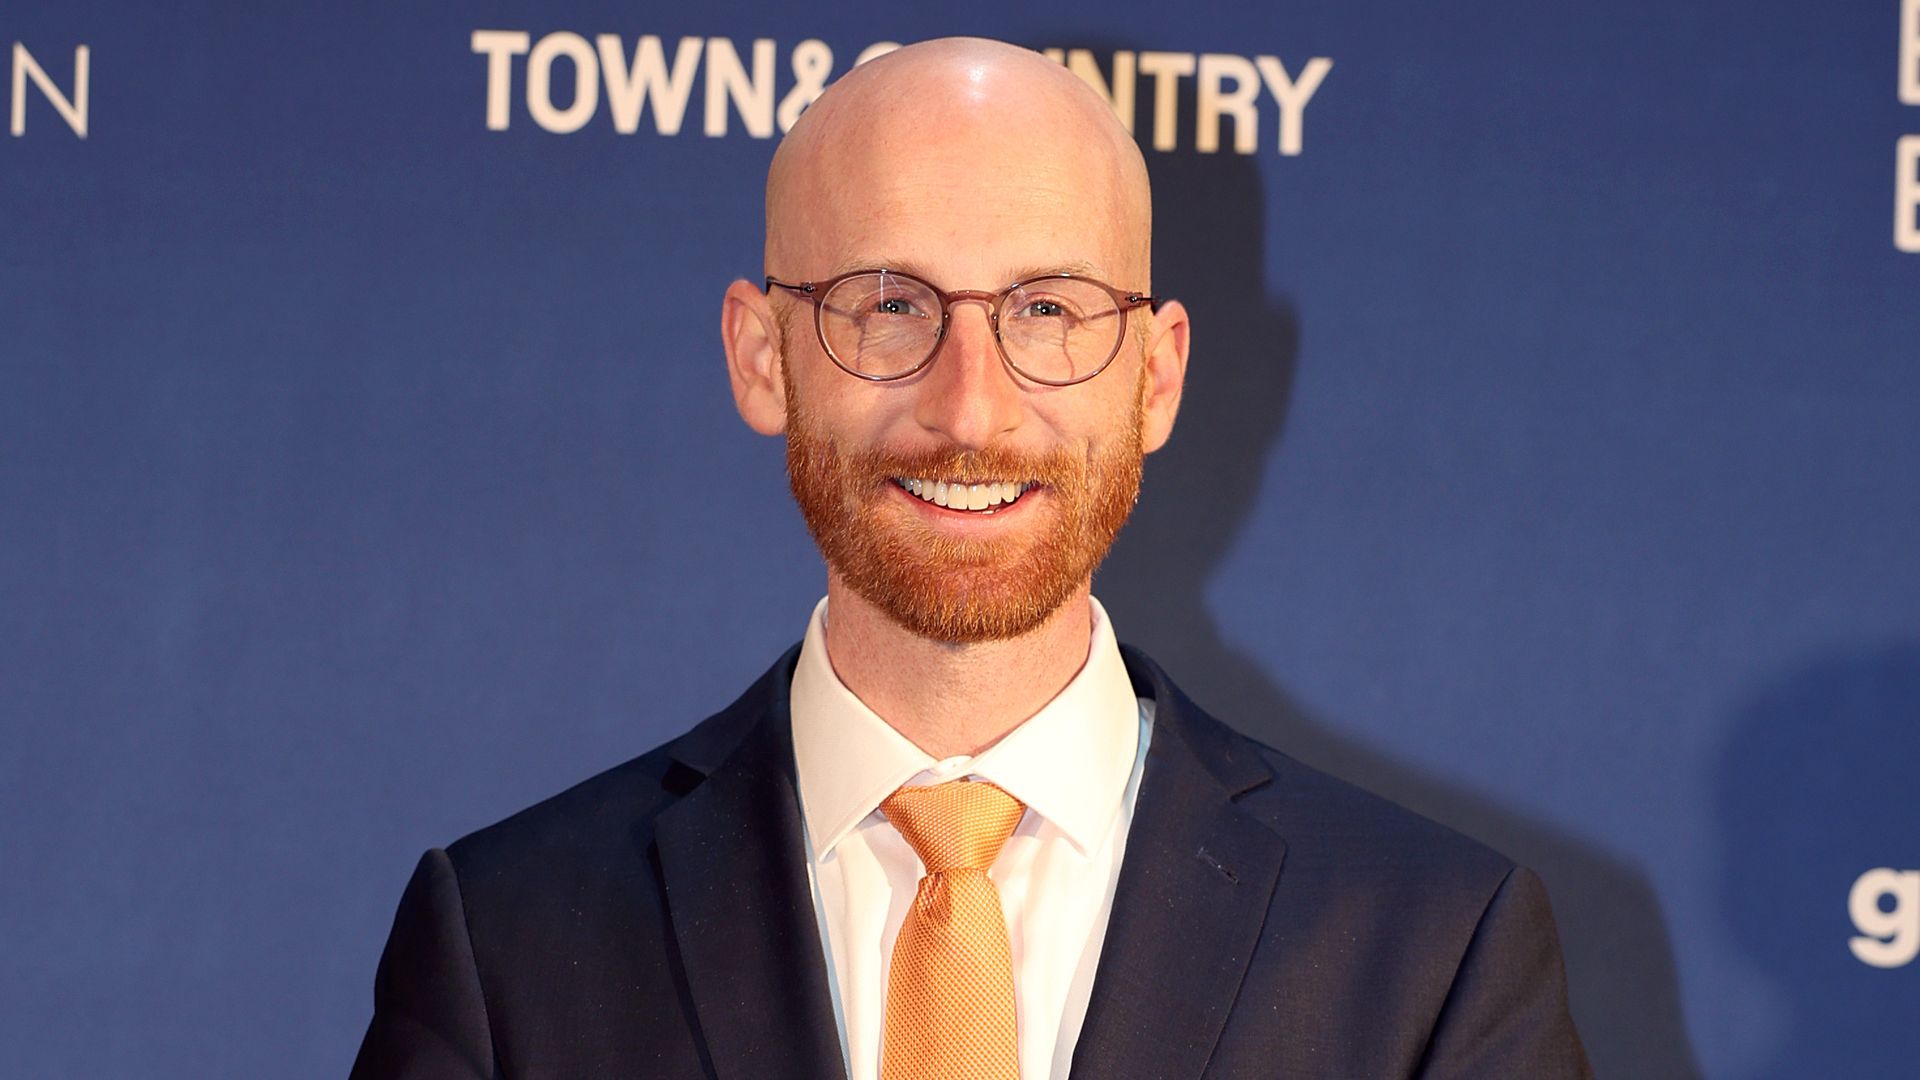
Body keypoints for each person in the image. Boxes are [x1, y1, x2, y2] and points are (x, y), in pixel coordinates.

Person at [351, 36, 1592, 1079]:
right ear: (759, 356)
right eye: (890, 304)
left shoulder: (1431, 956)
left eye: (1047, 310)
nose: (972, 410)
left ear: (1156, 377)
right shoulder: (508, 952)